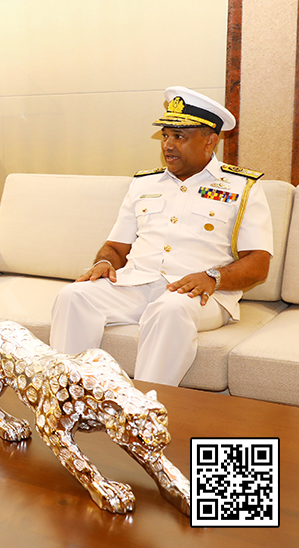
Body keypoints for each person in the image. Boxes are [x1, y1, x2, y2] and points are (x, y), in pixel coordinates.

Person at [49, 86, 273, 386]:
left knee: (169, 309)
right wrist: (104, 263)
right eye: (166, 135)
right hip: (137, 284)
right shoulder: (144, 183)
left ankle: (146, 410)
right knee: (73, 296)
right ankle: (68, 397)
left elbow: (258, 263)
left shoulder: (241, 188)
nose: (168, 144)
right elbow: (116, 247)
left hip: (202, 295)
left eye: (179, 137)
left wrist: (212, 277)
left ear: (210, 141)